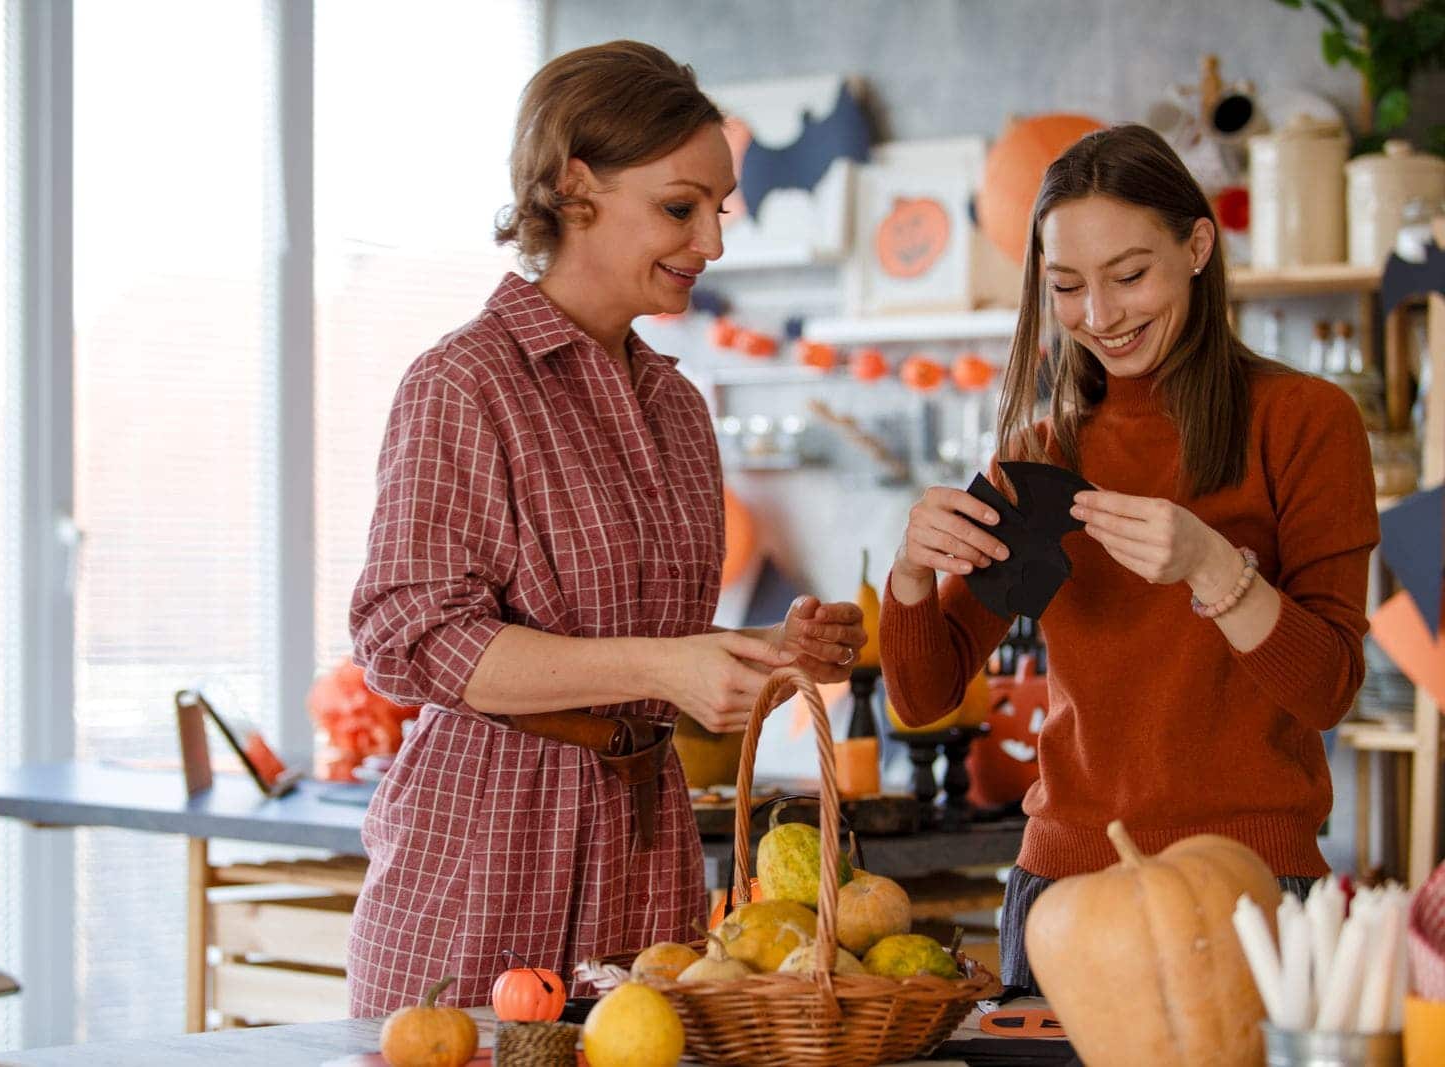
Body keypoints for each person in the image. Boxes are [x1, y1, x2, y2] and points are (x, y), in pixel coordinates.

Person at [344, 40, 866, 1015]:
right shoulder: (465, 382)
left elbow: (652, 645)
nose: (710, 242)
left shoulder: (678, 406)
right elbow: (409, 636)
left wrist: (763, 649)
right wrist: (666, 669)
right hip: (488, 838)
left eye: (719, 209)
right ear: (574, 188)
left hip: (645, 835)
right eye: (680, 207)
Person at [880, 124, 1378, 991]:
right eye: (1067, 285)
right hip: (1063, 891)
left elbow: (1328, 686)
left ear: (1197, 245)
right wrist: (912, 574)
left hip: (1250, 891)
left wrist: (1215, 569)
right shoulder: (1042, 455)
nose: (1100, 317)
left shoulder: (1306, 423)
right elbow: (924, 695)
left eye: (1130, 275)